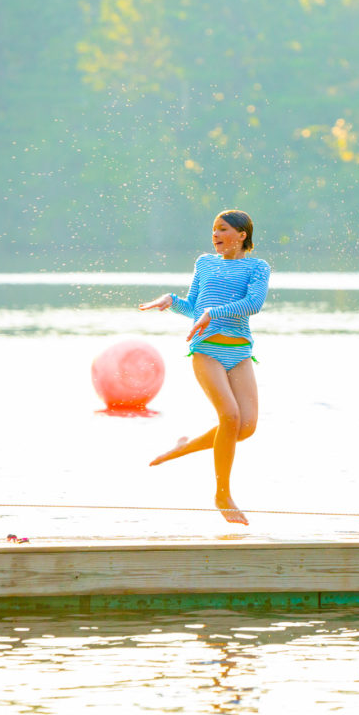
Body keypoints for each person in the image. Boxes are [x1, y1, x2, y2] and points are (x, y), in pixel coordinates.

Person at [139, 210, 270, 525]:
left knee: (246, 427)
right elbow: (196, 309)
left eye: (222, 229)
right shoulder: (204, 263)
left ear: (242, 235)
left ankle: (183, 447)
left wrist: (213, 311)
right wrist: (171, 300)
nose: (215, 235)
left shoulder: (258, 266)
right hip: (206, 350)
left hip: (239, 352)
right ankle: (222, 494)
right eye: (213, 229)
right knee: (230, 416)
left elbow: (254, 303)